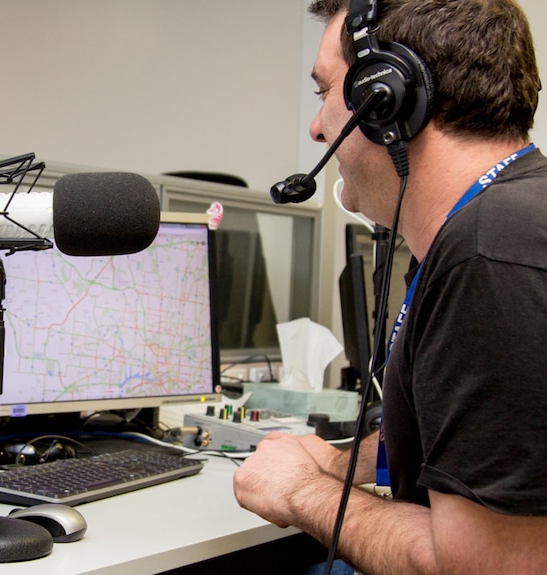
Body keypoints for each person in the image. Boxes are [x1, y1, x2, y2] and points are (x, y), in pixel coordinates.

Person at [233, 1, 547, 573]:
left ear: (385, 100)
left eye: (323, 92)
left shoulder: (490, 252)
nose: (316, 127)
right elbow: (466, 450)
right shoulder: (494, 225)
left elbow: (495, 565)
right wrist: (337, 463)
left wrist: (304, 492)